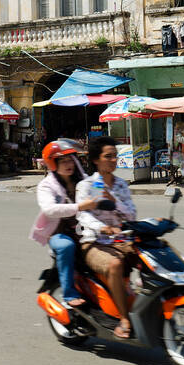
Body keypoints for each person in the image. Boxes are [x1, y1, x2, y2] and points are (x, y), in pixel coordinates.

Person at [75, 135, 138, 338]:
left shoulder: (121, 185)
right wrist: (103, 228)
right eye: (108, 156)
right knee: (115, 265)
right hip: (93, 243)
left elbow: (131, 214)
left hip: (120, 240)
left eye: (115, 156)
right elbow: (83, 215)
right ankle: (124, 318)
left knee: (152, 254)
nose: (113, 160)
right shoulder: (87, 185)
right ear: (96, 159)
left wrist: (115, 200)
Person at [29, 139, 102, 308]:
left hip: (85, 228)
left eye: (70, 159)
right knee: (66, 246)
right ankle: (69, 294)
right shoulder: (46, 186)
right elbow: (49, 210)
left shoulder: (82, 179)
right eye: (63, 161)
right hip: (59, 233)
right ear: (52, 164)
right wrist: (79, 206)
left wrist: (102, 179)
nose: (68, 164)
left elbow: (96, 191)